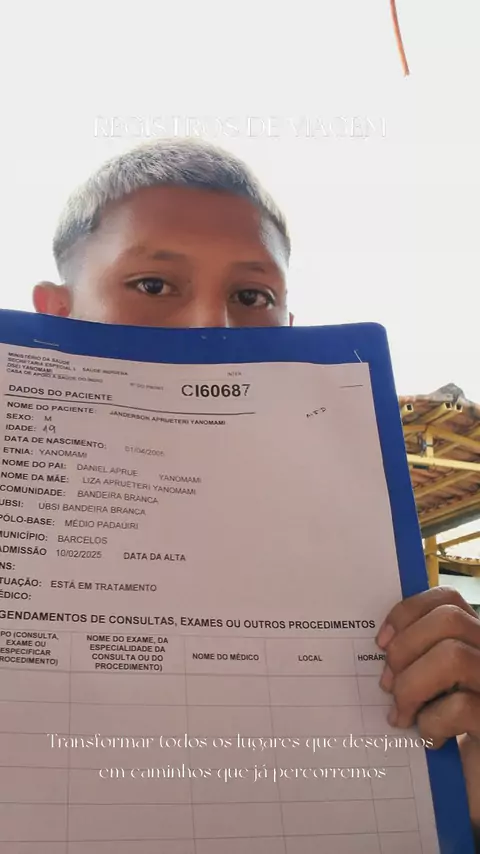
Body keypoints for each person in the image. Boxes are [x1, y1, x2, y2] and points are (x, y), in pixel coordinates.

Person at [33, 137, 480, 845]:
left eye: (252, 297)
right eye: (153, 285)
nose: (211, 329)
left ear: (288, 330)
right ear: (54, 315)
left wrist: (464, 795)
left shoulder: (360, 543)